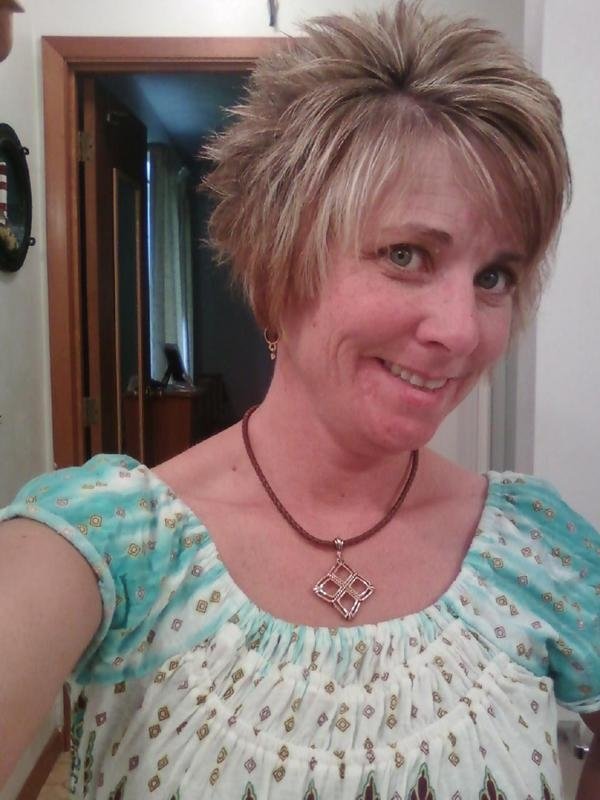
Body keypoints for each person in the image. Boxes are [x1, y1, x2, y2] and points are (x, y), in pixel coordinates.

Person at [1, 2, 599, 798]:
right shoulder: (110, 546)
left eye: (495, 275)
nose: (461, 331)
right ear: (278, 263)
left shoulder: (538, 550)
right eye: (407, 254)